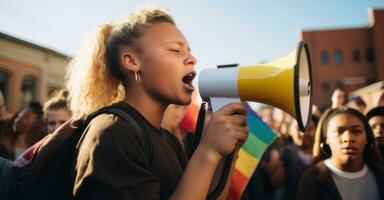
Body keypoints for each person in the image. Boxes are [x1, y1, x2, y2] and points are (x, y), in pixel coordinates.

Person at [67, 7, 249, 200]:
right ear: (131, 61)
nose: (192, 59)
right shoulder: (113, 133)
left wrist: (227, 153)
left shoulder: (169, 142)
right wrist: (207, 151)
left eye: (189, 51)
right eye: (175, 50)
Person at [298, 107, 384, 200]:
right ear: (325, 139)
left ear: (367, 138)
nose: (348, 138)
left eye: (356, 131)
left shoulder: (380, 174)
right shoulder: (313, 178)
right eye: (339, 131)